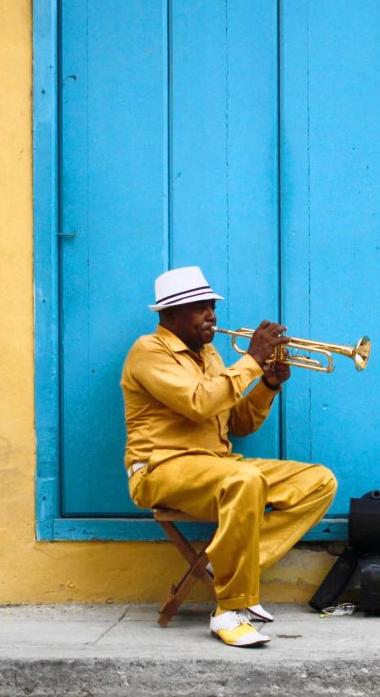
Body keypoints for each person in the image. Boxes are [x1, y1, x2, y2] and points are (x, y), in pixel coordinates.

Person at [121, 266, 337, 647]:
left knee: (319, 481)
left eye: (212, 306)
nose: (211, 316)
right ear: (169, 315)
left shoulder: (211, 355)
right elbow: (199, 403)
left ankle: (220, 564)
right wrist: (253, 360)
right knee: (245, 480)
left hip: (217, 467)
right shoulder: (148, 351)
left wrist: (268, 384)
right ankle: (229, 610)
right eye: (199, 307)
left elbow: (236, 423)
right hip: (161, 469)